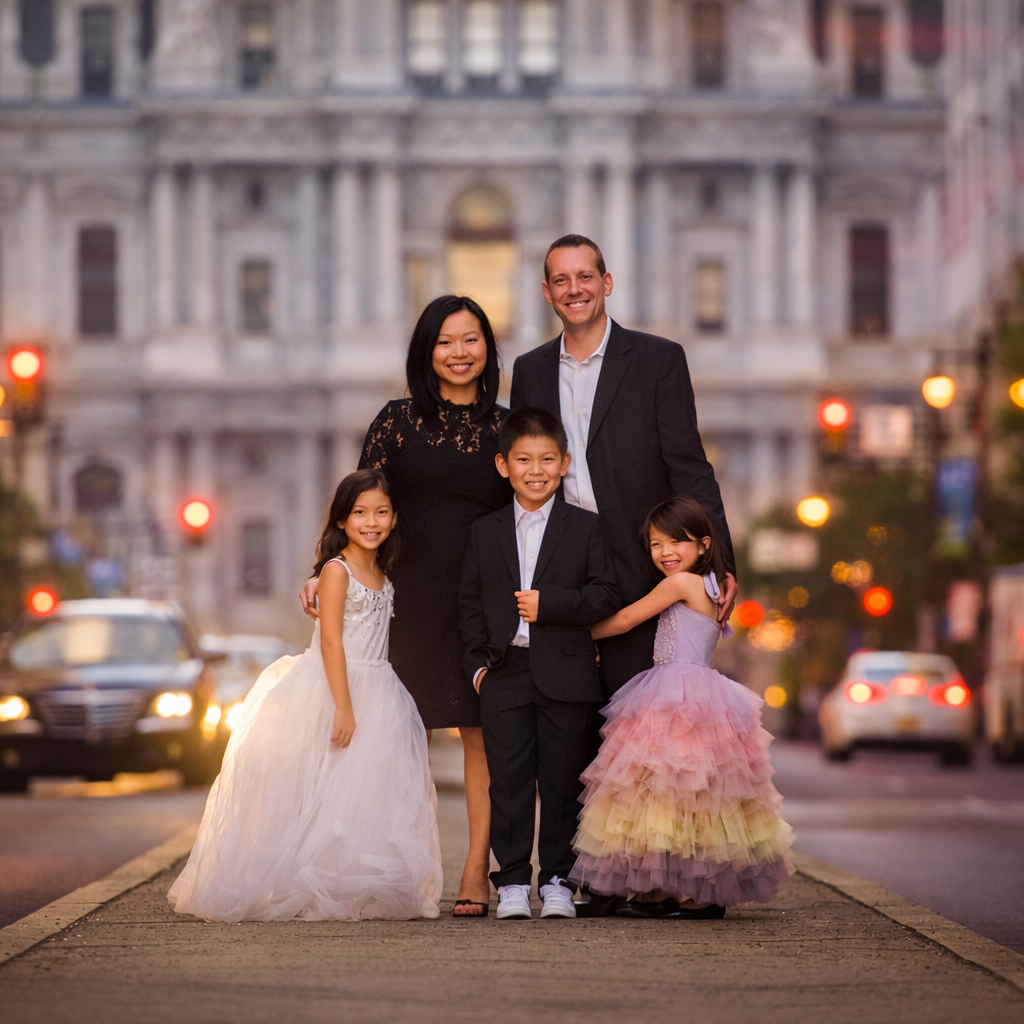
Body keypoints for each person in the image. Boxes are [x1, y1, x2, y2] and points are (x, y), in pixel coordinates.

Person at [300, 296, 510, 917]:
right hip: (405, 601)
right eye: (445, 341)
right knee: (392, 736)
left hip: (480, 602)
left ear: (487, 350)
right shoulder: (395, 421)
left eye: (471, 340)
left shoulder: (506, 426)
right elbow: (362, 506)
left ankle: (476, 870)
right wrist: (323, 571)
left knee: (482, 737)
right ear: (426, 351)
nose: (459, 353)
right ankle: (383, 869)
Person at [169, 470, 442, 922]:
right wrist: (344, 706)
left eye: (381, 512)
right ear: (340, 518)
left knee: (369, 792)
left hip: (380, 688)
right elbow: (331, 640)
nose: (371, 521)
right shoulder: (337, 571)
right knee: (328, 786)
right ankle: (317, 882)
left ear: (395, 519)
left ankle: (359, 886)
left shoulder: (383, 570)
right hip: (339, 688)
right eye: (359, 512)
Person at [510, 234, 738, 702]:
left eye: (585, 277)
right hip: (560, 576)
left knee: (638, 727)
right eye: (561, 280)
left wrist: (722, 563)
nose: (574, 289)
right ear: (546, 292)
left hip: (641, 567)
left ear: (606, 283)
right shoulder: (529, 370)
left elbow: (690, 467)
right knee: (566, 744)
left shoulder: (658, 360)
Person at [569, 495, 794, 919]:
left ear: (704, 545)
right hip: (702, 692)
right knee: (693, 797)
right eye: (655, 545)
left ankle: (671, 892)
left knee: (655, 791)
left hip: (675, 690)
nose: (665, 552)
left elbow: (625, 620)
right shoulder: (713, 586)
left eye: (677, 542)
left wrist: (571, 636)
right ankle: (686, 893)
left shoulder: (681, 584)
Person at [459, 408, 620, 920]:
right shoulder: (485, 531)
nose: (536, 469)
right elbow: (468, 605)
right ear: (503, 465)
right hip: (505, 672)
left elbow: (605, 594)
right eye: (524, 459)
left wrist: (549, 604)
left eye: (548, 459)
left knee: (562, 780)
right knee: (506, 780)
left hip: (568, 672)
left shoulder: (586, 527)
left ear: (565, 463)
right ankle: (509, 883)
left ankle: (556, 880)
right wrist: (479, 668)